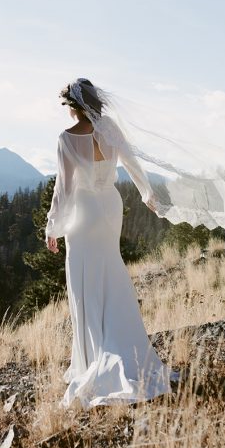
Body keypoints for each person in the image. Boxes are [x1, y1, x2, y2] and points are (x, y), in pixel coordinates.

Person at [44, 78, 173, 408]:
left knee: (84, 279)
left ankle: (91, 360)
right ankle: (126, 350)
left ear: (74, 107)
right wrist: (147, 194)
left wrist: (53, 226)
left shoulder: (66, 139)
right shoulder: (111, 129)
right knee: (111, 273)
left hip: (85, 212)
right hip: (111, 207)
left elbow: (65, 189)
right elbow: (131, 164)